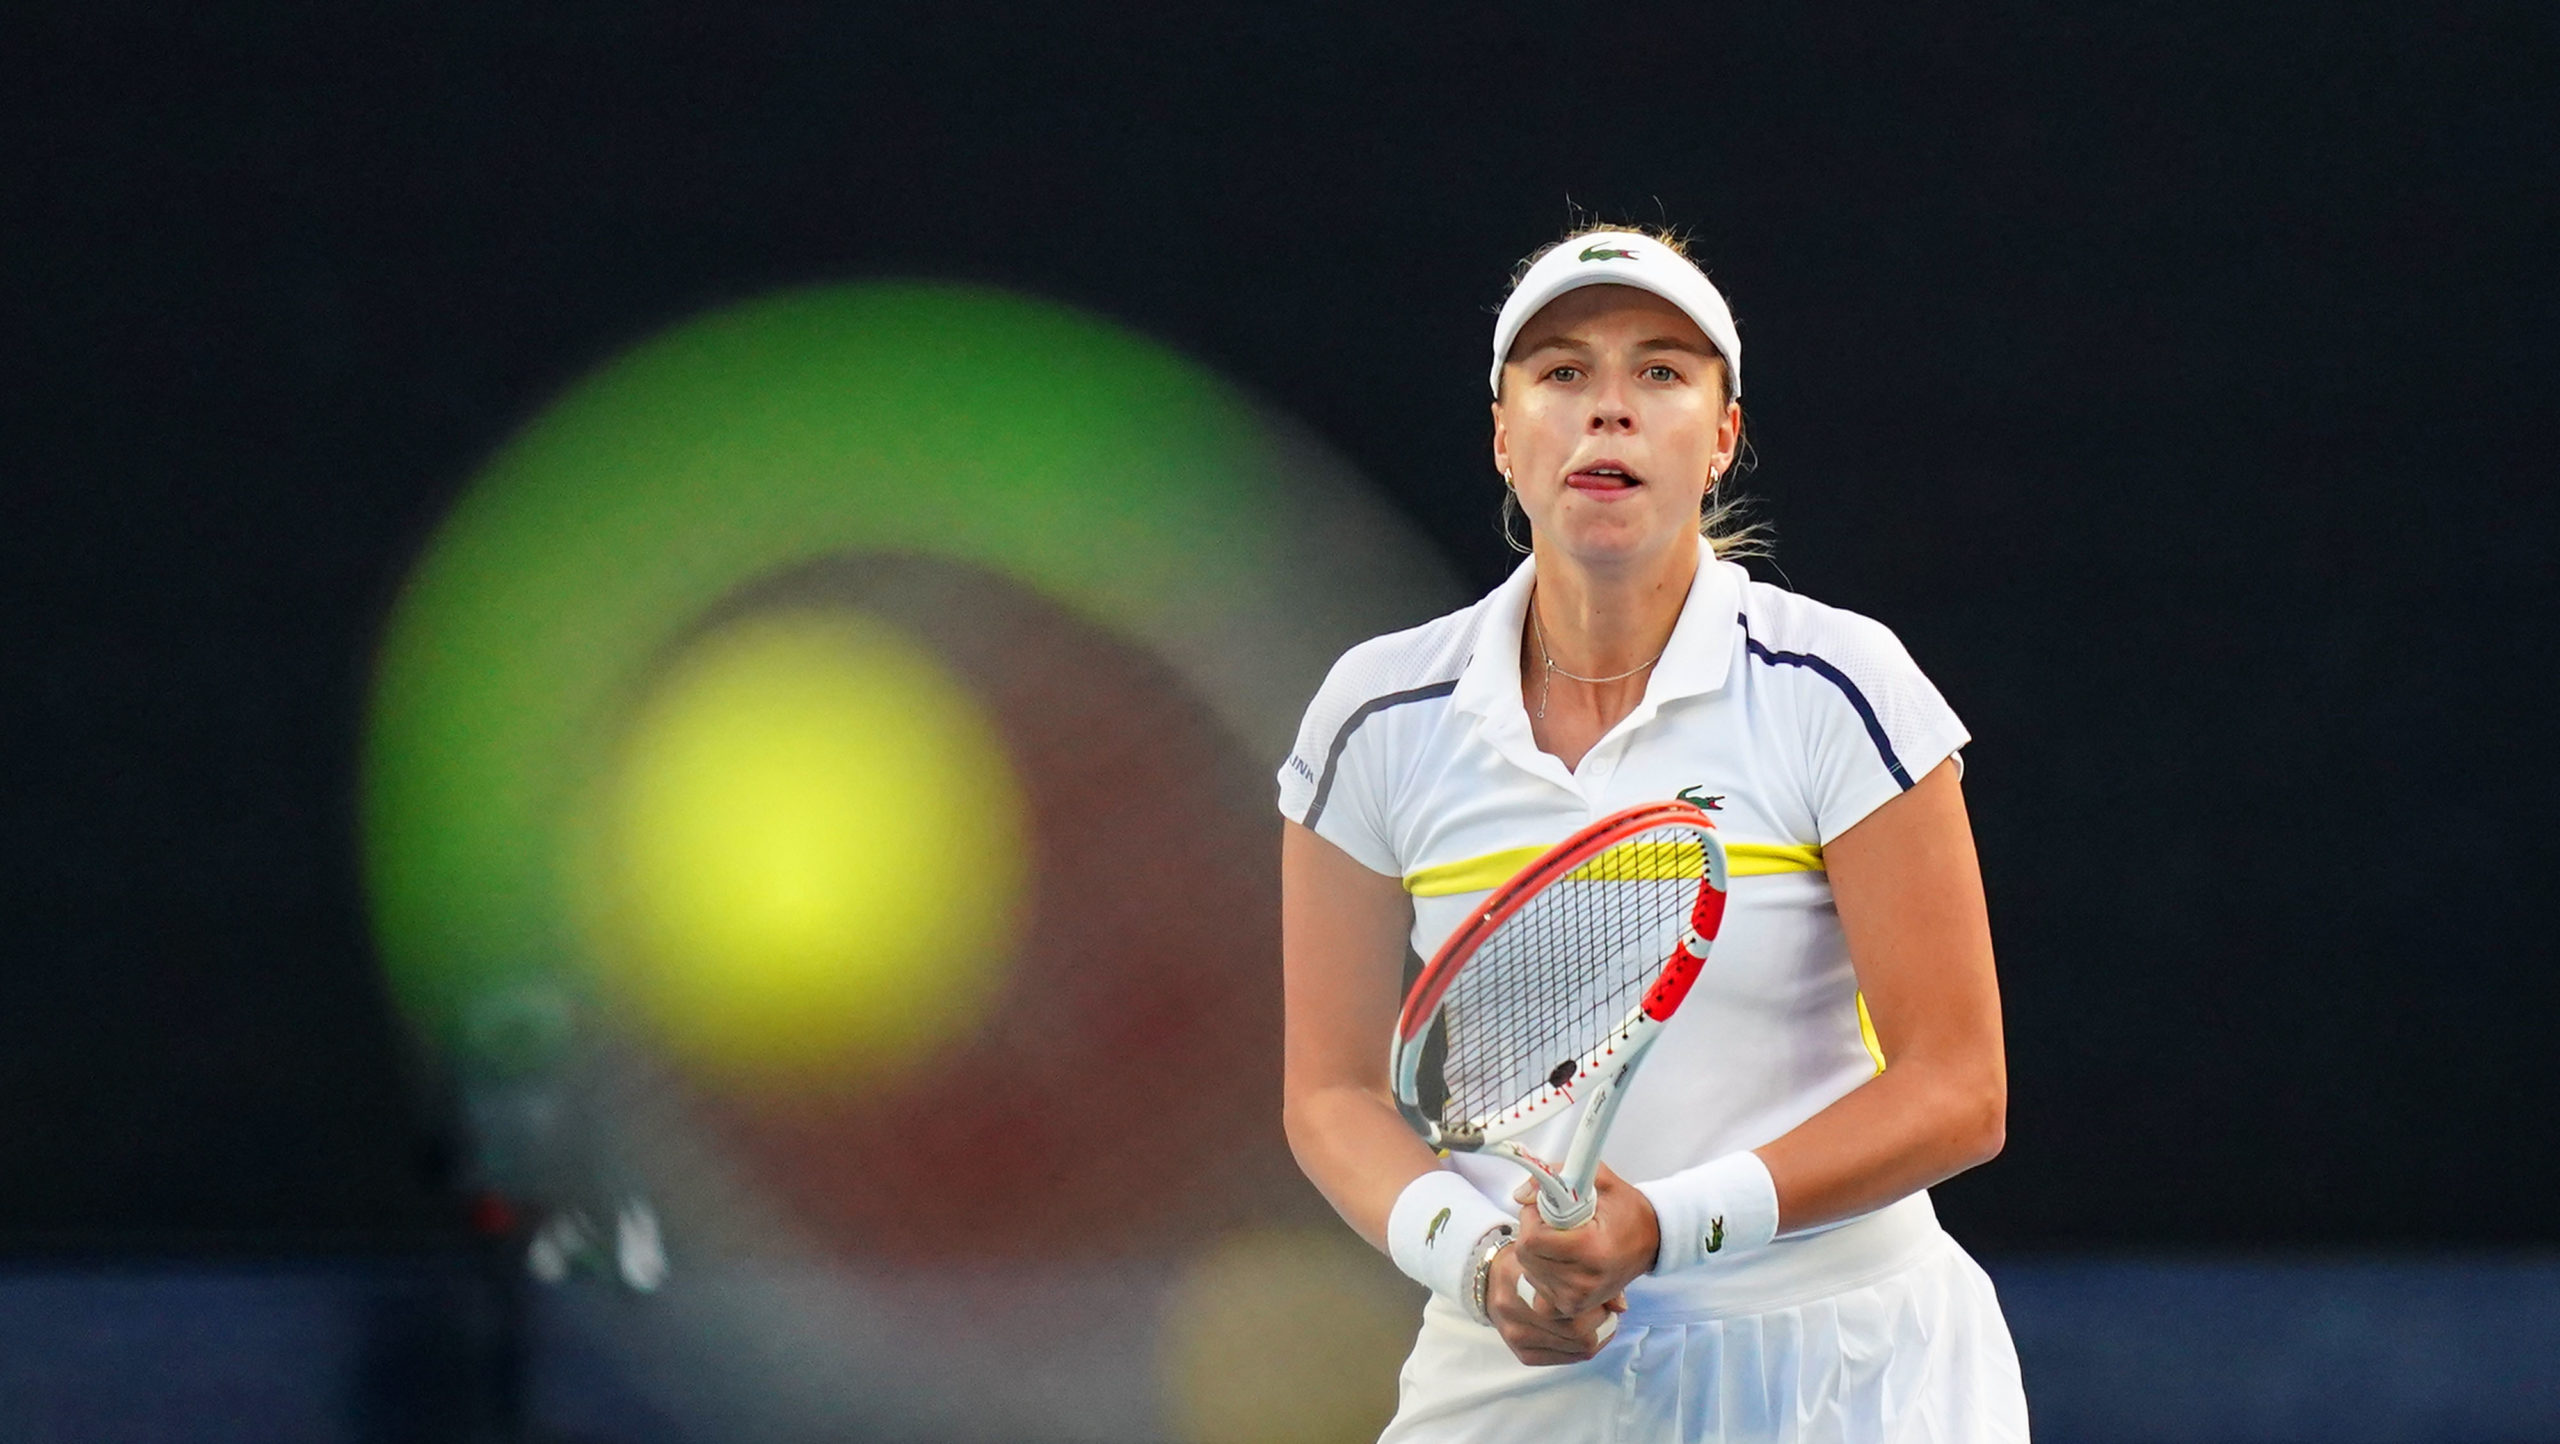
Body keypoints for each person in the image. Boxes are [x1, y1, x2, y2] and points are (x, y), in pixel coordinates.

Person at [1277, 227, 2029, 1440]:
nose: (1609, 409)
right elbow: (1331, 1091)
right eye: (1562, 372)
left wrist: (1664, 1226)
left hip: (1850, 1367)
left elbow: (1959, 1088)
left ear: (1722, 437)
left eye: (1661, 372)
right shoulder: (1376, 716)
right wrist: (1478, 1260)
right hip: (1521, 1369)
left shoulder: (1838, 684)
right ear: (1504, 436)